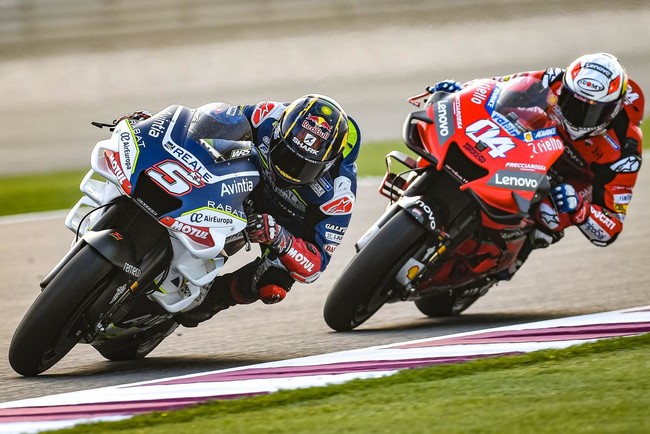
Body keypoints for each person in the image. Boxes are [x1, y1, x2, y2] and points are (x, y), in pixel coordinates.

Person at [118, 95, 361, 327]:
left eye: (303, 166)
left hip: (281, 224)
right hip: (243, 186)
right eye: (286, 154)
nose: (290, 168)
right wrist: (156, 125)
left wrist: (280, 238)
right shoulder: (268, 115)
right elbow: (209, 124)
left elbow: (315, 265)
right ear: (280, 132)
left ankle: (214, 298)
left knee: (272, 284)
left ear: (328, 164)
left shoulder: (339, 193)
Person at [428, 52, 644, 280]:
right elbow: (494, 88)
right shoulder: (553, 79)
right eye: (574, 103)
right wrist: (460, 92)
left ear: (614, 109)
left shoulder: (625, 148)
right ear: (565, 90)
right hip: (536, 146)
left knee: (549, 216)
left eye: (594, 111)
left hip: (572, 181)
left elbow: (610, 228)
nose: (580, 117)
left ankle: (504, 263)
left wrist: (580, 209)